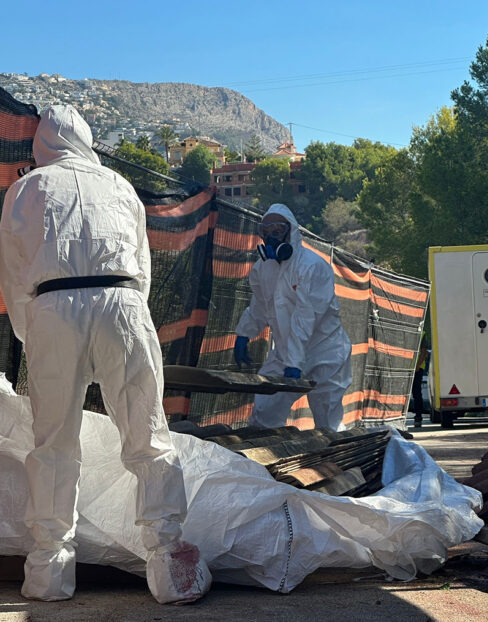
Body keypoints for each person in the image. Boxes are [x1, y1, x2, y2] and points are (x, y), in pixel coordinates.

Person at [0, 105, 211, 604]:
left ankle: (48, 575)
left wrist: (36, 335)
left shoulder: (26, 189)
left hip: (53, 304)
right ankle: (167, 562)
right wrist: (130, 317)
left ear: (42, 146)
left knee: (53, 444)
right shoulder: (119, 185)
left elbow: (13, 270)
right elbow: (142, 261)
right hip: (122, 302)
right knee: (148, 433)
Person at [234, 204, 352, 431]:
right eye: (265, 231)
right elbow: (259, 305)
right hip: (286, 352)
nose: (270, 237)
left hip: (325, 351)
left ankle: (337, 462)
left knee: (328, 423)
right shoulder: (262, 268)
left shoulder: (312, 266)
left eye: (277, 230)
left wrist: (295, 362)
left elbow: (306, 317)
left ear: (291, 232)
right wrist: (244, 333)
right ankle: (265, 461)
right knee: (264, 412)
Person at [412, 331, 429, 428]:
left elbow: (424, 351)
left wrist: (417, 366)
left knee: (416, 393)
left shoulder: (421, 333)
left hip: (416, 369)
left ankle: (418, 417)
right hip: (406, 368)